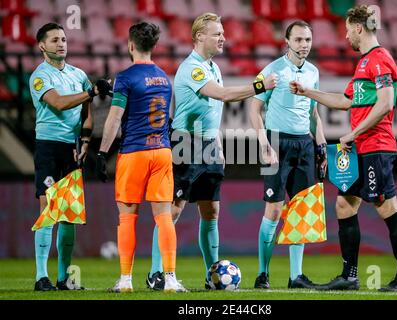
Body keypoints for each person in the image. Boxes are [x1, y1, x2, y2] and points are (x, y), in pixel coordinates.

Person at [146, 12, 277, 290]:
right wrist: (259, 86)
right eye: (217, 34)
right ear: (199, 37)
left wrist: (216, 144)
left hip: (208, 146)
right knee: (174, 210)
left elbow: (212, 111)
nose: (223, 38)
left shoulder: (212, 66)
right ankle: (157, 272)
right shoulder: (192, 68)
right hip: (185, 143)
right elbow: (223, 96)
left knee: (211, 211)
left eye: (223, 33)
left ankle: (213, 275)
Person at [290, 5, 397, 292]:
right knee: (344, 205)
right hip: (360, 147)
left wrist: (353, 133)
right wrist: (307, 92)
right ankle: (350, 276)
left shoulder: (380, 59)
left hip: (375, 146)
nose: (345, 36)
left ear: (359, 28)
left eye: (347, 29)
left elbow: (385, 104)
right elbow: (346, 101)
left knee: (386, 206)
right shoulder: (363, 64)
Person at [95, 22, 187, 293]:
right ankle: (170, 279)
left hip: (134, 152)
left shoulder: (125, 77)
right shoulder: (163, 78)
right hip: (161, 151)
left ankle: (125, 281)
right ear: (154, 46)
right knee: (164, 219)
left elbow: (114, 118)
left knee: (127, 218)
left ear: (131, 45)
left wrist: (102, 152)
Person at [30, 22, 110, 291]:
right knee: (48, 210)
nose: (61, 43)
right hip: (49, 147)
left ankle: (64, 278)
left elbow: (88, 113)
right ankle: (41, 277)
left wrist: (86, 141)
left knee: (69, 214)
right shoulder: (40, 77)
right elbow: (59, 103)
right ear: (42, 46)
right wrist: (91, 92)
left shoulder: (78, 74)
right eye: (54, 40)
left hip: (72, 148)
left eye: (63, 39)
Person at [249, 21, 327, 289]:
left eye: (307, 39)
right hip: (276, 142)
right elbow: (253, 108)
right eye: (298, 40)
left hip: (304, 144)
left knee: (300, 211)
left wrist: (321, 144)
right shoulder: (272, 70)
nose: (304, 44)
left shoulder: (314, 72)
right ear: (286, 41)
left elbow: (314, 113)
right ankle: (263, 274)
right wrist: (263, 143)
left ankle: (296, 277)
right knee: (273, 210)